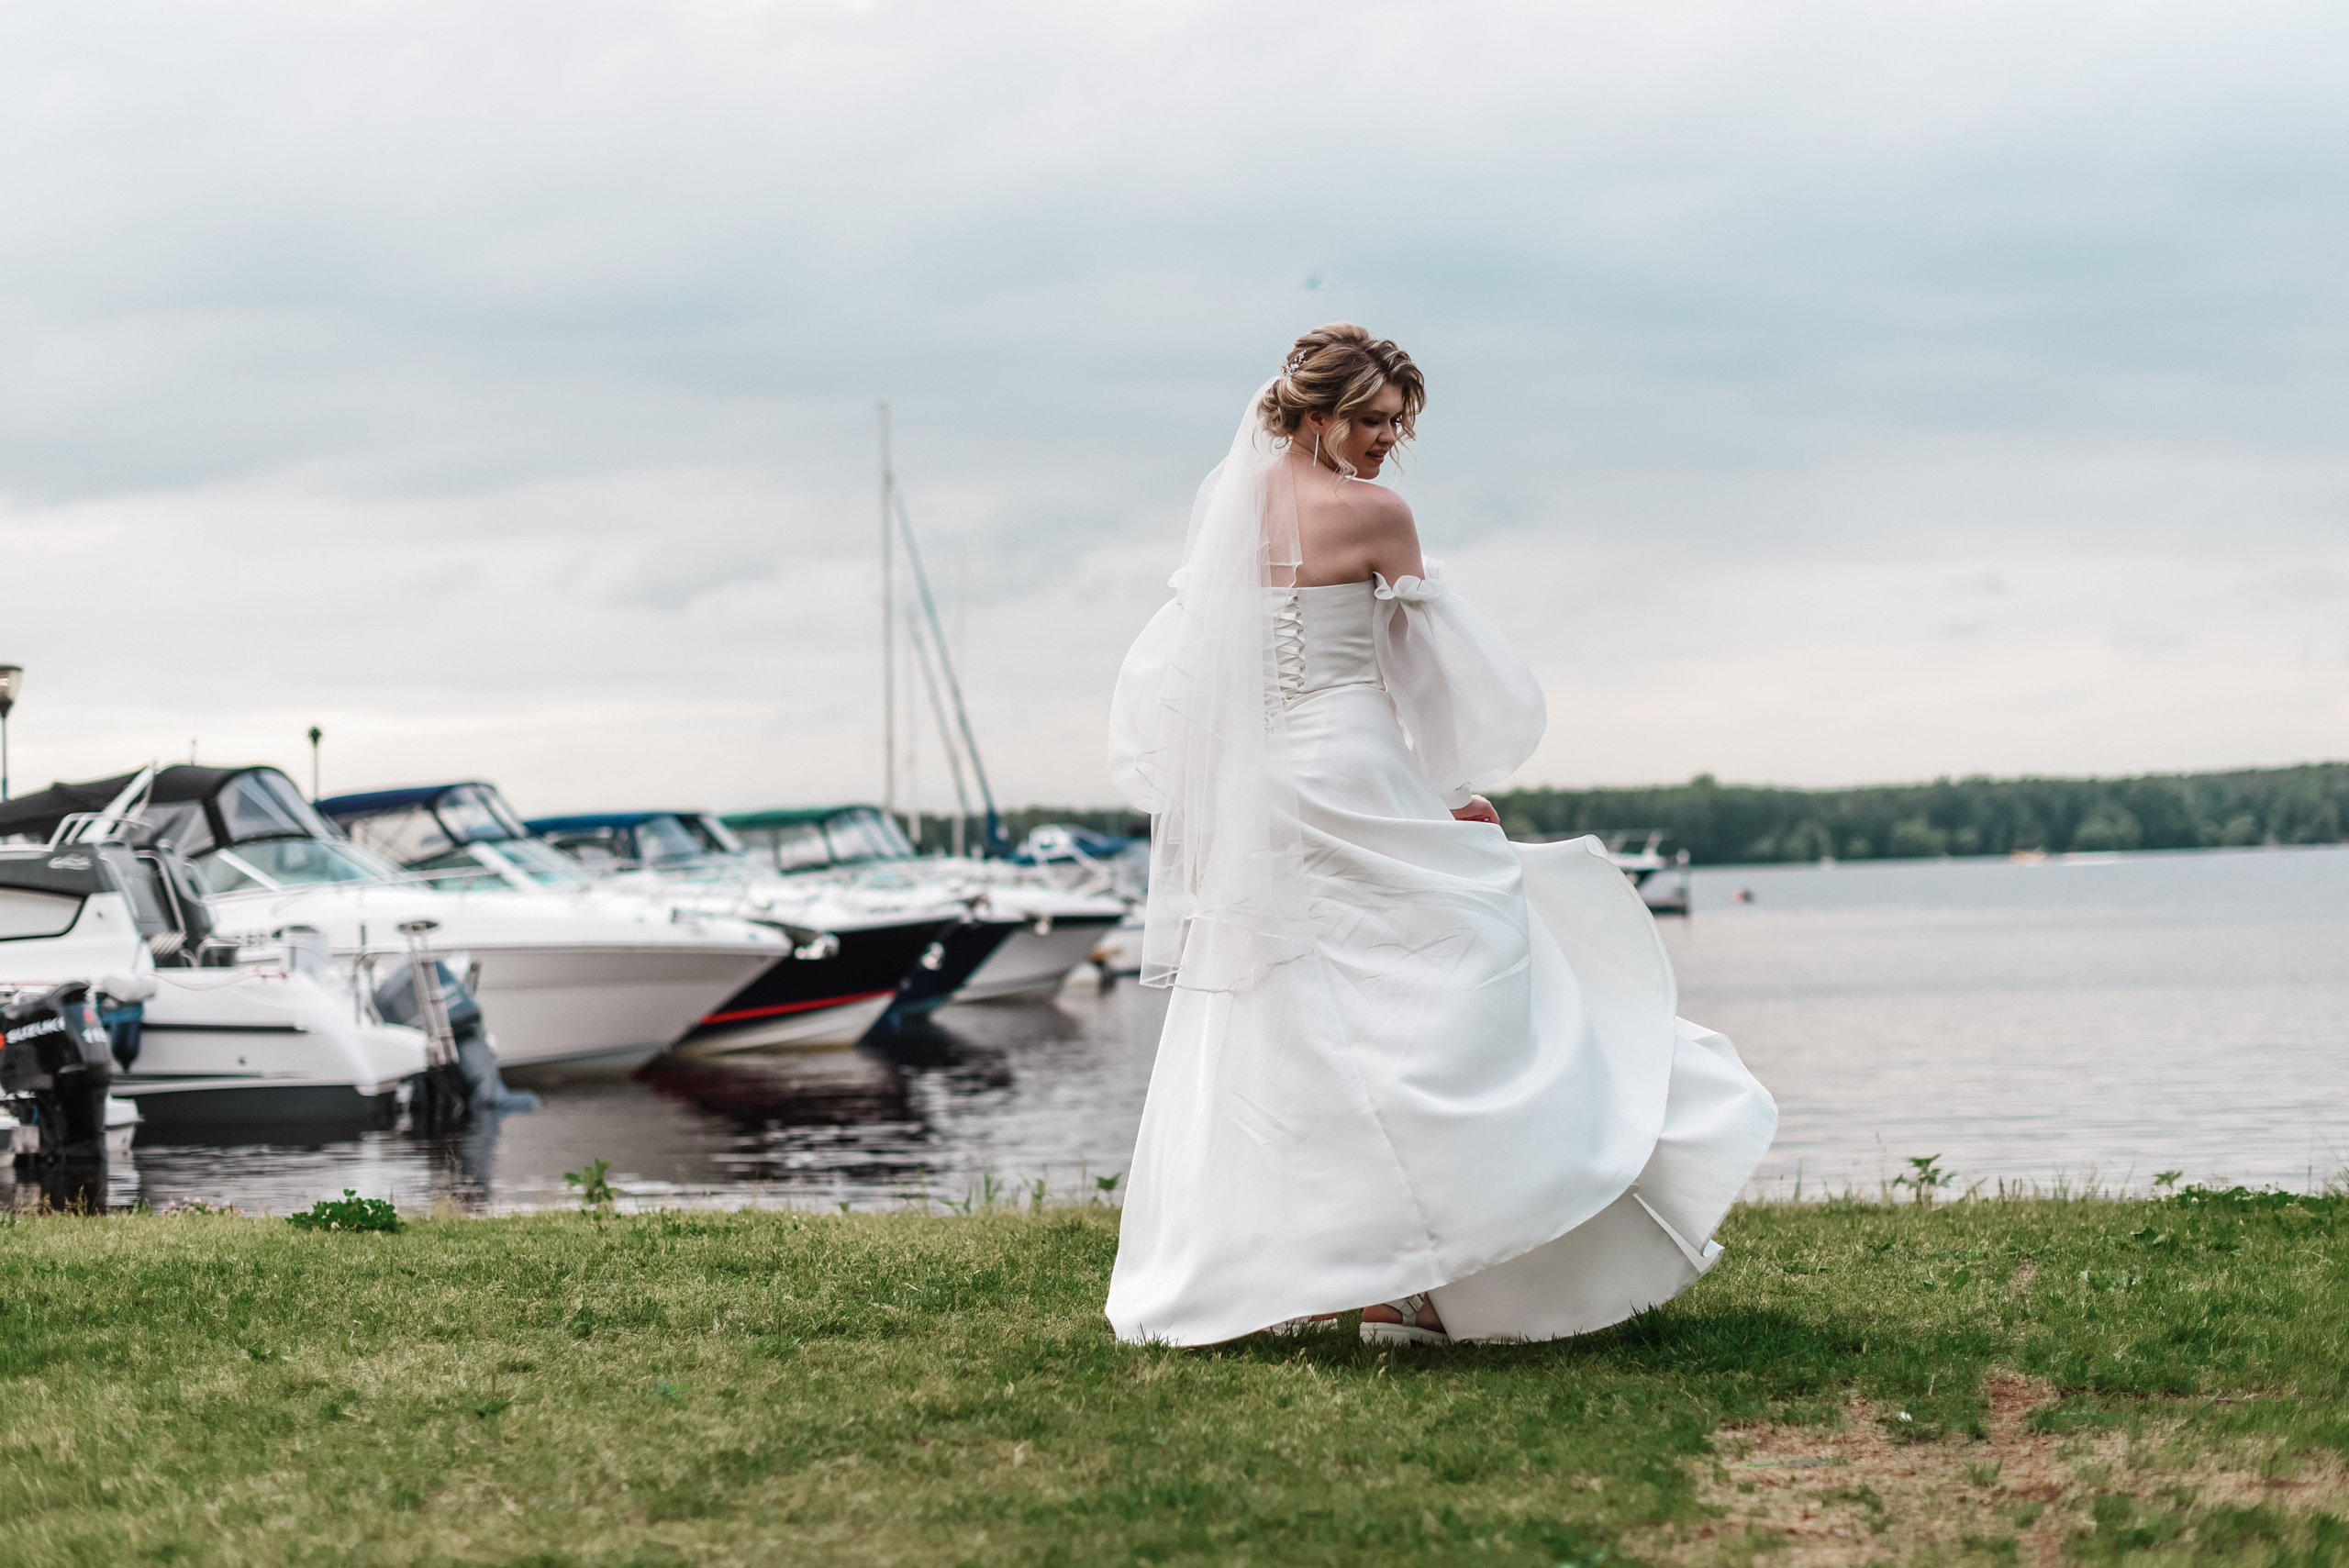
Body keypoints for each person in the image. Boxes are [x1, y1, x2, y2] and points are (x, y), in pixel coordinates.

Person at [1103, 324, 1777, 1346]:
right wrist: (1448, 789)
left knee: (1293, 1025)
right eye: (1370, 421)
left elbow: (1196, 681)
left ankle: (1307, 1270)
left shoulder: (1227, 518)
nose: (1386, 442)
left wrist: (1220, 804)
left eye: (1396, 424)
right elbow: (1429, 670)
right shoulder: (1376, 516)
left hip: (1259, 794)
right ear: (1313, 414)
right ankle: (1411, 1277)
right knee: (1444, 992)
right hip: (1352, 770)